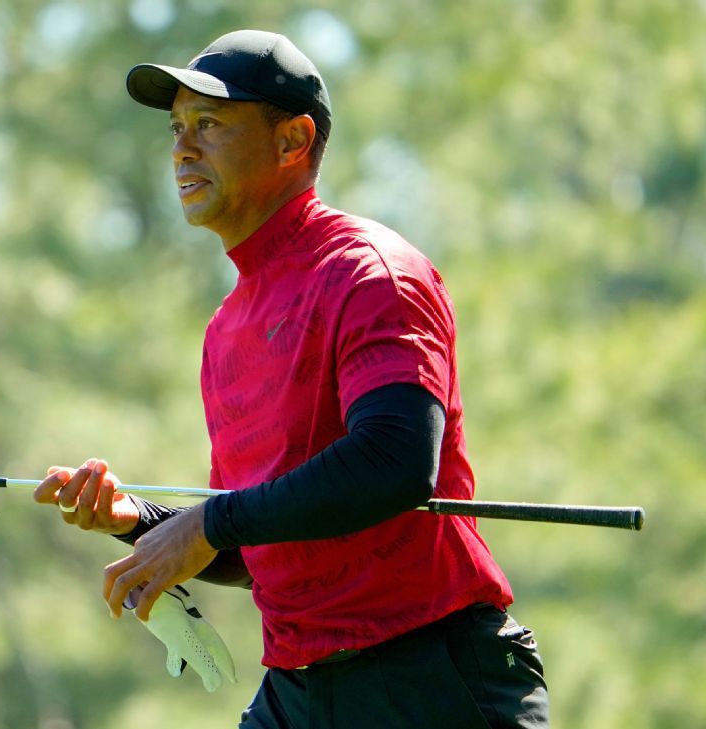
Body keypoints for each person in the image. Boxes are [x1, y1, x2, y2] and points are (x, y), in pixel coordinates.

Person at [32, 29, 550, 728]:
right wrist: (143, 522)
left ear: (292, 141)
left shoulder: (371, 273)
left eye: (210, 125)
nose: (182, 148)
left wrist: (209, 520)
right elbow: (257, 550)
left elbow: (396, 462)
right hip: (299, 690)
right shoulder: (226, 327)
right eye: (178, 129)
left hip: (429, 678)